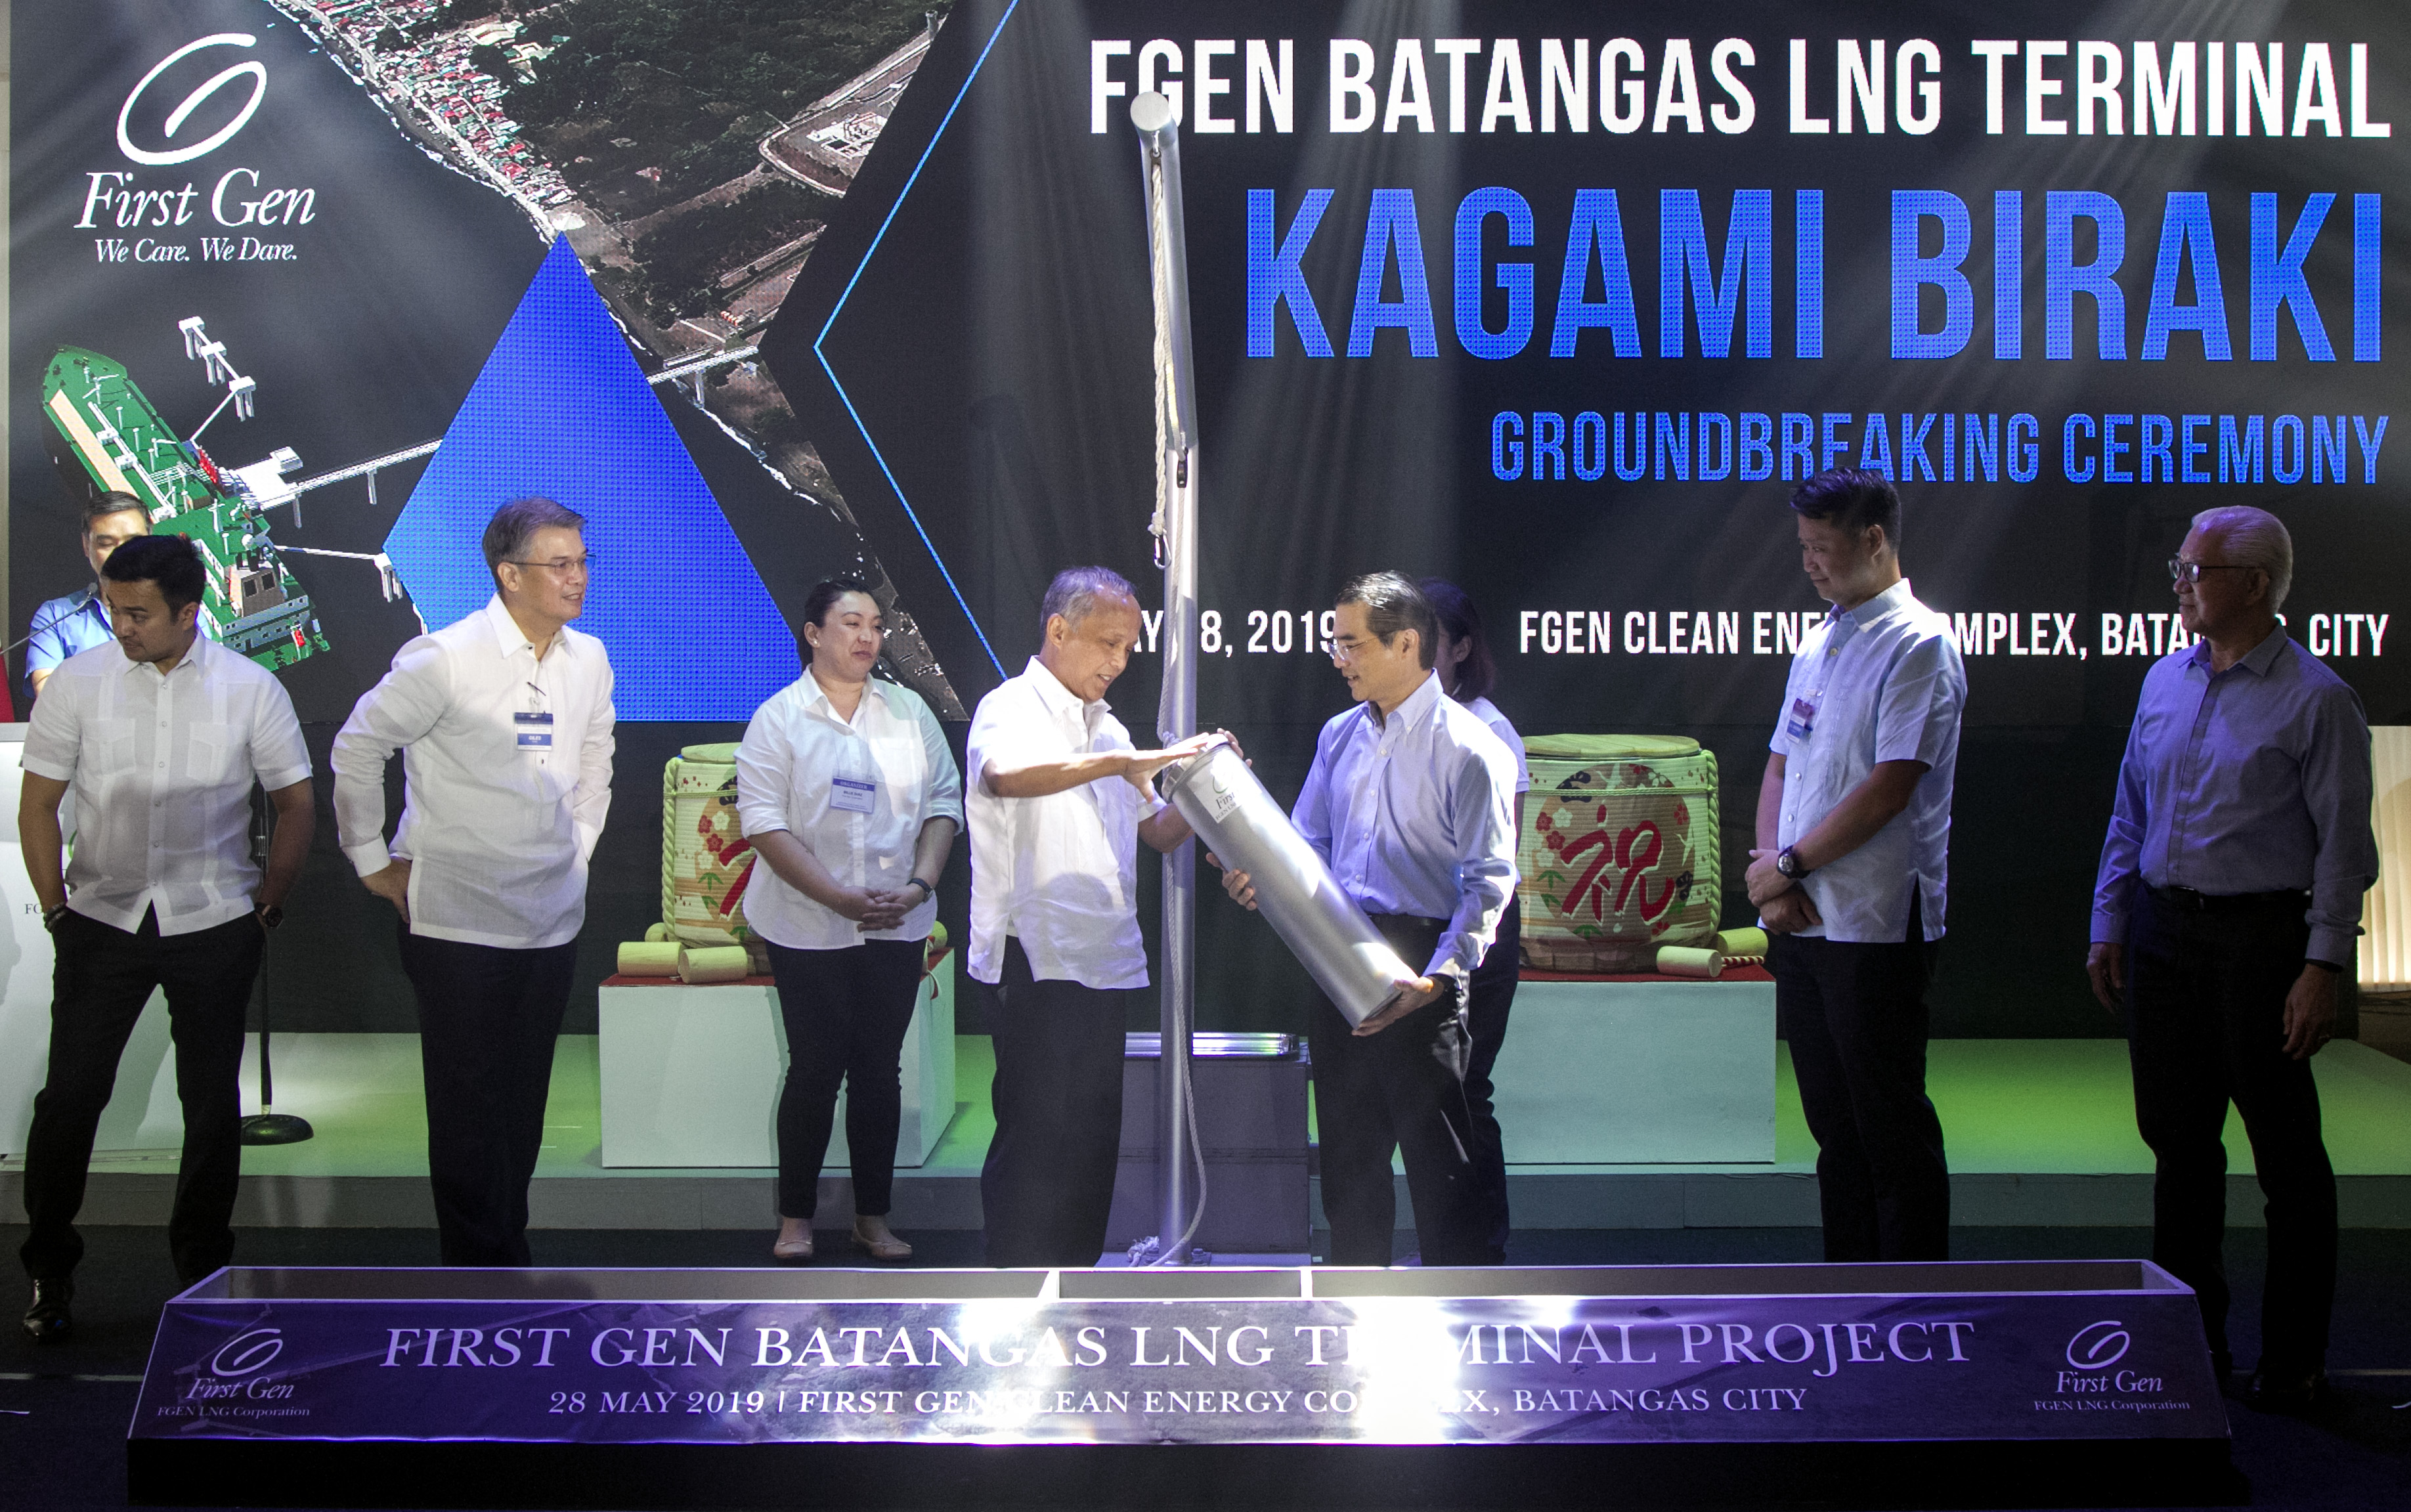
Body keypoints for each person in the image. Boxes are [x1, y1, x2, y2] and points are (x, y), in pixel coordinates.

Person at [2086, 506, 2373, 1412]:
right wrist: (2111, 920)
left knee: (2288, 1161)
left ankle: (2293, 1362)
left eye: (2195, 568)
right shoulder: (2162, 681)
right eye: (2180, 566)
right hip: (2164, 934)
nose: (2179, 583)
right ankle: (2190, 1345)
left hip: (2262, 945)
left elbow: (2343, 850)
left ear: (2254, 583)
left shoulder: (2317, 697)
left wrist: (2322, 966)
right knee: (2179, 1149)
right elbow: (2130, 811)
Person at [16, 534, 313, 1343]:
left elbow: (295, 803)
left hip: (214, 921)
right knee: (70, 1098)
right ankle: (49, 1265)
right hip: (101, 920)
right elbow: (38, 803)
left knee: (210, 1107)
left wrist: (269, 903)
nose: (121, 625)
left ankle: (205, 1271)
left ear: (189, 612)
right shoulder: (78, 684)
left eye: (138, 613)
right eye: (113, 609)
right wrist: (54, 908)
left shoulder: (252, 690)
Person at [330, 497, 614, 1268]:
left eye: (582, 561)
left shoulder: (588, 659)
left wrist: (576, 852)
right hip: (457, 919)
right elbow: (357, 748)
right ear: (509, 575)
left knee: (522, 1099)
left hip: (550, 916)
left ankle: (505, 1252)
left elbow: (596, 764)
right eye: (560, 564)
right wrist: (369, 858)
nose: (578, 577)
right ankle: (475, 1271)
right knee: (465, 1102)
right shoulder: (445, 657)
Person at [1219, 571, 1517, 1268]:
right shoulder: (1338, 734)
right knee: (1350, 1154)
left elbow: (1490, 885)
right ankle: (1353, 1307)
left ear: (1407, 643)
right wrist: (1256, 875)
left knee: (1440, 1159)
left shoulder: (1473, 749)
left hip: (1423, 961)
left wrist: (1438, 978)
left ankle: (1465, 1312)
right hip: (1339, 946)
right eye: (1336, 643)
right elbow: (1306, 846)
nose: (1337, 658)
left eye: (1351, 643)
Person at [1744, 467, 1965, 1264]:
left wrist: (1792, 864)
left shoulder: (1921, 642)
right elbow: (1779, 765)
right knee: (1834, 1128)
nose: (1808, 562)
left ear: (1873, 540)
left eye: (1822, 546)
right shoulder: (1819, 638)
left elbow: (1890, 787)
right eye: (1802, 546)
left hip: (1873, 921)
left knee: (1889, 1123)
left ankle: (1916, 1304)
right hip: (1803, 919)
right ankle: (1849, 1297)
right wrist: (1775, 873)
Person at [967, 567, 1215, 1267]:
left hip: (1103, 958)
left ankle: (1077, 1286)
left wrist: (1205, 784)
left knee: (1091, 1139)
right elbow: (1005, 777)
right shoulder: (1009, 706)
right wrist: (1123, 761)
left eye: (1130, 648)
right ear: (1058, 630)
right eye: (1109, 642)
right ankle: (1014, 1292)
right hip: (1034, 957)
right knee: (1036, 1135)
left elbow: (1157, 830)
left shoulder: (1110, 727)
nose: (1119, 661)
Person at [736, 578, 963, 1264]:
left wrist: (921, 884)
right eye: (851, 623)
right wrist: (835, 895)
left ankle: (873, 1215)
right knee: (813, 1068)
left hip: (895, 922)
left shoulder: (909, 709)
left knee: (878, 1071)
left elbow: (943, 804)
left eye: (876, 625)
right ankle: (796, 1218)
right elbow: (763, 824)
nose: (868, 637)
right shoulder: (779, 717)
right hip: (808, 924)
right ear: (814, 633)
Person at [1420, 576, 1527, 1257]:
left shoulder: (1489, 731)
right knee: (1431, 1097)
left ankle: (1480, 1256)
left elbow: (1497, 866)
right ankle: (1448, 1254)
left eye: (1424, 641)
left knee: (1465, 1090)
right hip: (1417, 926)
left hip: (1480, 930)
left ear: (1460, 647)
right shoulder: (1382, 725)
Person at [24, 491, 151, 702]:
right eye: (106, 543)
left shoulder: (184, 613)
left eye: (133, 541)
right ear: (86, 546)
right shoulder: (55, 618)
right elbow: (49, 698)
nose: (121, 553)